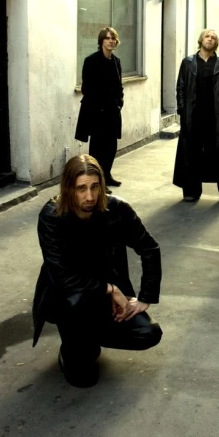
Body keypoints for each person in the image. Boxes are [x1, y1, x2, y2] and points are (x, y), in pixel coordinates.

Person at [32, 154, 162, 388]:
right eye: (81, 188)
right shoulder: (52, 216)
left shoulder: (117, 209)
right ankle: (73, 349)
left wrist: (145, 298)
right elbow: (62, 277)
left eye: (95, 187)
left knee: (148, 333)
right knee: (83, 379)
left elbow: (149, 248)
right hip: (68, 297)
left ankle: (87, 339)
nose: (89, 196)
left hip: (104, 295)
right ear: (68, 189)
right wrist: (110, 289)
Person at [173, 28, 219, 203]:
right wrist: (182, 110)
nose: (210, 39)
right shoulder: (188, 63)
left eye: (213, 37)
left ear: (216, 43)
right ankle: (191, 191)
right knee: (191, 153)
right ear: (201, 40)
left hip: (216, 117)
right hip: (193, 116)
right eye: (207, 36)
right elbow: (180, 87)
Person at [75, 27, 124, 188]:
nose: (111, 41)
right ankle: (96, 182)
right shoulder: (91, 61)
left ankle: (107, 176)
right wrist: (100, 105)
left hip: (112, 112)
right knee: (97, 149)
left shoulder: (116, 62)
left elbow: (119, 86)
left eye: (113, 38)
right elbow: (86, 88)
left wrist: (119, 102)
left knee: (111, 147)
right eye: (107, 38)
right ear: (101, 41)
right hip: (97, 113)